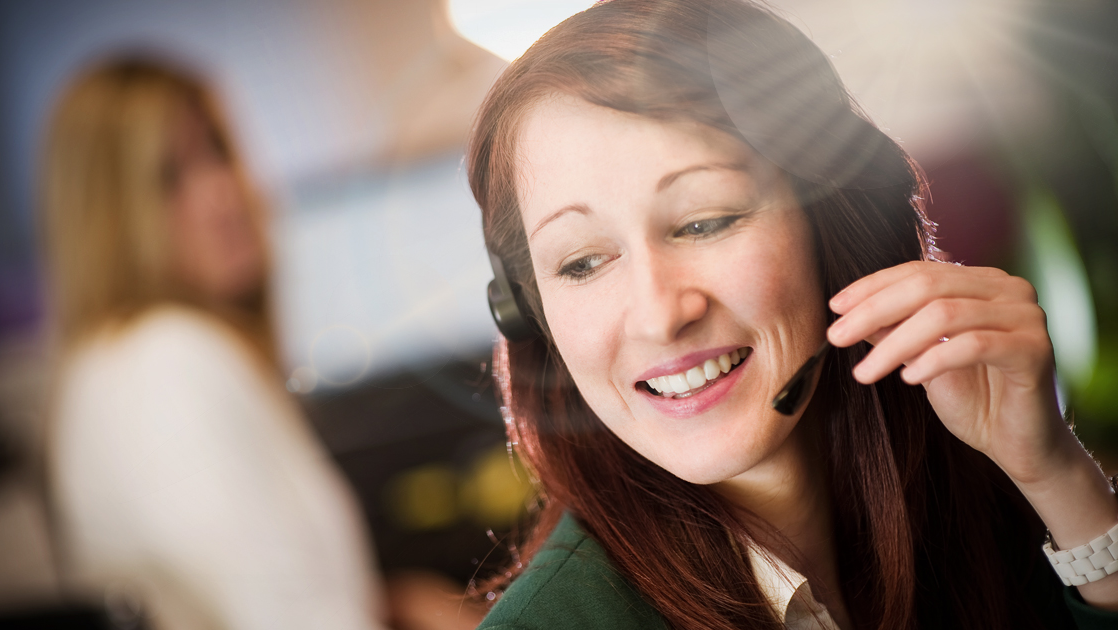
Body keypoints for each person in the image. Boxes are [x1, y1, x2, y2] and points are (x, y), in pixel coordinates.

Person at [465, 1, 1118, 628]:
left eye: (704, 222)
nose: (659, 316)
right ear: (527, 310)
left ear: (830, 217)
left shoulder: (967, 490)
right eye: (581, 263)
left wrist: (1055, 476)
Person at [40, 59, 391, 630]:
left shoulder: (113, 362)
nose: (223, 193)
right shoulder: (164, 361)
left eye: (218, 152)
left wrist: (389, 604)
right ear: (109, 216)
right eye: (170, 177)